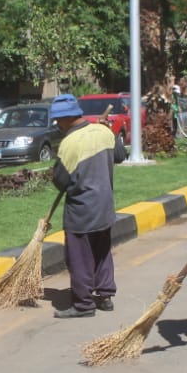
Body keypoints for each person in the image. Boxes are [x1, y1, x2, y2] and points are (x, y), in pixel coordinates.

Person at [50, 93, 127, 318]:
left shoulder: (69, 144)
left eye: (58, 121)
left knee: (80, 257)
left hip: (81, 210)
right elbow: (121, 156)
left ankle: (83, 304)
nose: (57, 125)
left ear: (65, 119)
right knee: (102, 252)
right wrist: (109, 131)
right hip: (105, 205)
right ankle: (105, 296)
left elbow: (60, 181)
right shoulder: (104, 132)